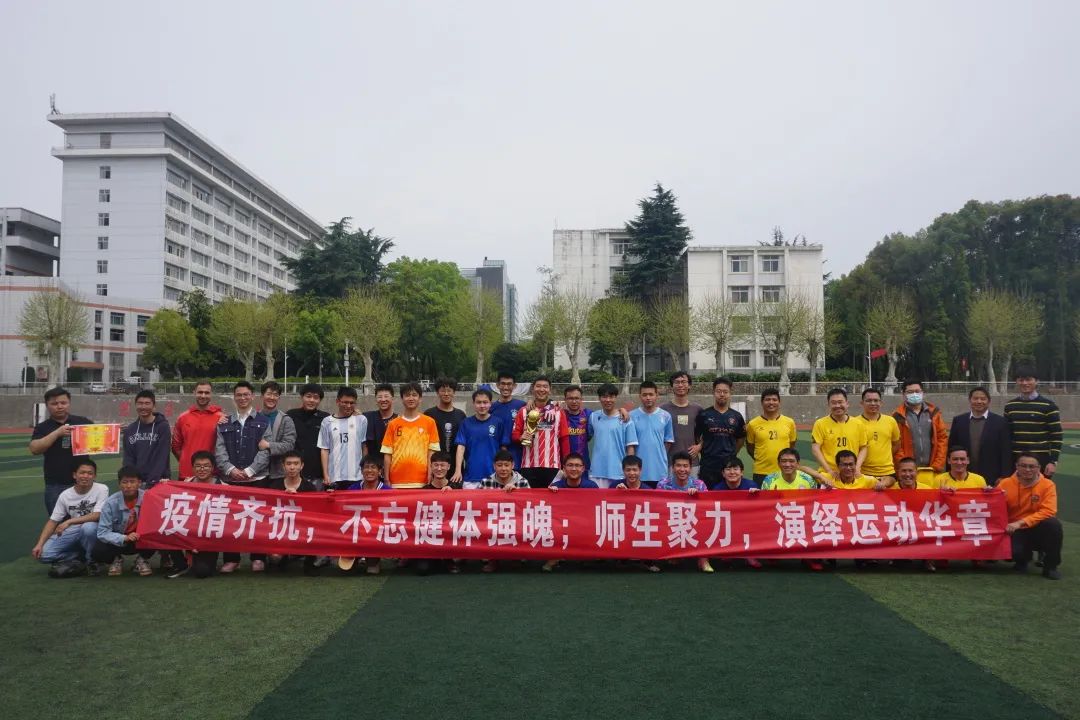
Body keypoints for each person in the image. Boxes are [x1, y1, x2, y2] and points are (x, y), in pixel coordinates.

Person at [214, 380, 271, 573]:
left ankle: (258, 557)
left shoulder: (263, 421)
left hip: (257, 479)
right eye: (239, 395)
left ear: (252, 396)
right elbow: (219, 450)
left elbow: (265, 450)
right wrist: (230, 469)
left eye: (246, 394)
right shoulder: (224, 422)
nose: (242, 398)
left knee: (258, 519)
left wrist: (249, 471)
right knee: (230, 520)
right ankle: (232, 559)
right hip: (230, 480)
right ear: (234, 397)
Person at [31, 458, 108, 576]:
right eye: (82, 473)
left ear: (94, 476)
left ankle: (93, 561)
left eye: (90, 473)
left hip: (94, 528)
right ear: (74, 475)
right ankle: (79, 558)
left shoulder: (102, 489)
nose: (85, 476)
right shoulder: (65, 495)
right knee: (44, 555)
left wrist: (69, 521)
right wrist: (39, 544)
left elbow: (97, 515)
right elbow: (53, 521)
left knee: (88, 528)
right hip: (74, 530)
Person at [29, 386, 93, 514]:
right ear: (47, 405)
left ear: (69, 403)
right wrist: (57, 433)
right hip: (56, 484)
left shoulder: (83, 422)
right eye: (54, 403)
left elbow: (101, 438)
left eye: (63, 403)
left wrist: (114, 431)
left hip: (83, 481)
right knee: (57, 521)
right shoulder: (42, 427)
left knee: (86, 520)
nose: (59, 406)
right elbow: (34, 449)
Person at [756, 448, 823, 571]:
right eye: (784, 461)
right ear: (778, 463)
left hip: (802, 518)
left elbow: (815, 504)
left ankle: (810, 557)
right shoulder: (769, 480)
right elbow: (764, 506)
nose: (787, 464)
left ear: (798, 463)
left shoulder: (808, 480)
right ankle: (774, 552)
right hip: (778, 517)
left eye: (791, 461)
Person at [998, 452, 1062, 580]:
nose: (1027, 470)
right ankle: (1022, 559)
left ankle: (1051, 566)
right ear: (1017, 466)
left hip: (1037, 527)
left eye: (1032, 466)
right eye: (1023, 466)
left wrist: (1021, 522)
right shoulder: (1005, 484)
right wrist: (989, 494)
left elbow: (1049, 511)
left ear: (1039, 468)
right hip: (1014, 529)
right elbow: (995, 507)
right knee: (1012, 553)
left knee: (1053, 524)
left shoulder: (1048, 485)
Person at [92, 466, 156, 577]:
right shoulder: (111, 503)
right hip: (119, 540)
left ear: (139, 483)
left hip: (140, 538)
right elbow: (102, 532)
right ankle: (116, 559)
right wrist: (124, 538)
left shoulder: (148, 498)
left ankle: (141, 559)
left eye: (132, 482)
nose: (128, 486)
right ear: (119, 484)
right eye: (125, 482)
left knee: (158, 534)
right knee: (98, 550)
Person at [656, 451, 712, 573]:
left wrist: (697, 497)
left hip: (693, 523)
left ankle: (703, 559)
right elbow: (658, 508)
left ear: (690, 468)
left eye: (685, 466)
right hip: (671, 522)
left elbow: (707, 508)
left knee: (707, 524)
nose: (682, 469)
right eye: (678, 466)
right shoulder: (663, 484)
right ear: (673, 467)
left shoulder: (699, 485)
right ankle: (672, 555)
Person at [1003, 365, 1063, 477]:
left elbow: (1056, 436)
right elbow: (1007, 435)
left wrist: (1053, 461)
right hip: (1016, 459)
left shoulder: (1049, 406)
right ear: (1016, 382)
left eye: (1028, 379)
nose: (1024, 383)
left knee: (1040, 488)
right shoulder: (1010, 406)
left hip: (1040, 460)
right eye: (1021, 380)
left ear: (1037, 381)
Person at [267, 450, 319, 576]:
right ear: (283, 466)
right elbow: (268, 512)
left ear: (302, 466)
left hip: (303, 527)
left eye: (296, 464)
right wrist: (284, 497)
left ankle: (309, 562)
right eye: (289, 464)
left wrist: (297, 498)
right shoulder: (274, 487)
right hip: (281, 527)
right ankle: (284, 557)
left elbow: (314, 513)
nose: (292, 467)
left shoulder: (310, 487)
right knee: (275, 558)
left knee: (315, 530)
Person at [947, 386, 1012, 486]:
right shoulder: (959, 421)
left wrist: (1004, 476)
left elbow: (1006, 451)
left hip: (992, 476)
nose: (979, 401)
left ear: (989, 401)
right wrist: (949, 472)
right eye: (975, 398)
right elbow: (952, 448)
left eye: (983, 399)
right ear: (970, 400)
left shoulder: (1000, 422)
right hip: (963, 475)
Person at [479, 450, 531, 573]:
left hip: (516, 519)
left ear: (512, 465)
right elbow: (479, 505)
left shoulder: (522, 482)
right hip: (493, 519)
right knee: (487, 526)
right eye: (500, 465)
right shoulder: (485, 482)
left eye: (506, 465)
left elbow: (529, 505)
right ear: (494, 466)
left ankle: (516, 557)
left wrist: (516, 493)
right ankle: (493, 559)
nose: (503, 469)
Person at [544, 453, 597, 572]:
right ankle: (555, 556)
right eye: (570, 465)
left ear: (583, 469)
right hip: (562, 525)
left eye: (577, 466)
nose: (574, 469)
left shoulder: (591, 487)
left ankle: (586, 555)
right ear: (564, 468)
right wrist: (550, 495)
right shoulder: (555, 487)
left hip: (584, 525)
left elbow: (596, 512)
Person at [381, 382, 441, 488]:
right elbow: (387, 453)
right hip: (396, 481)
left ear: (420, 398)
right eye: (407, 395)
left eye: (414, 395)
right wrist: (386, 478)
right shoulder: (393, 424)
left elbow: (432, 452)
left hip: (422, 481)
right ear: (402, 399)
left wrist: (430, 473)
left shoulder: (429, 422)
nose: (411, 398)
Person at [511, 376, 566, 488]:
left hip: (552, 465)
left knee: (552, 498)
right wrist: (521, 437)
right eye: (538, 386)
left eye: (545, 387)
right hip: (528, 465)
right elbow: (515, 435)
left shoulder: (558, 411)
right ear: (533, 389)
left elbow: (564, 439)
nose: (541, 389)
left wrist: (565, 464)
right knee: (529, 498)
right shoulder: (523, 411)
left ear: (550, 390)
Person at [708, 457, 762, 569]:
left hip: (746, 521)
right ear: (723, 473)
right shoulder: (717, 489)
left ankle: (749, 554)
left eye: (735, 469)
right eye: (728, 469)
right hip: (727, 522)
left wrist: (757, 496)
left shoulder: (751, 486)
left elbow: (760, 508)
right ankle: (726, 552)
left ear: (742, 472)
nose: (732, 472)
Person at [452, 388, 509, 489]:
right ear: (473, 404)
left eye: (485, 402)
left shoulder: (498, 422)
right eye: (478, 402)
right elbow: (461, 447)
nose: (482, 406)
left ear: (490, 403)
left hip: (494, 477)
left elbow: (503, 449)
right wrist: (458, 470)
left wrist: (504, 471)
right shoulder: (466, 423)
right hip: (471, 477)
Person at [694, 377, 746, 488]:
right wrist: (703, 447)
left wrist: (732, 452)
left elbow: (741, 439)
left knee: (728, 496)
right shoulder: (704, 415)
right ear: (713, 393)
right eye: (719, 391)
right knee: (708, 495)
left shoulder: (737, 416)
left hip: (729, 466)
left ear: (730, 393)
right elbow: (697, 437)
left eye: (725, 392)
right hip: (708, 465)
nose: (722, 394)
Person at [175, 450, 219, 579]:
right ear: (193, 468)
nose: (202, 469)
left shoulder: (223, 486)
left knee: (202, 571)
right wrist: (164, 484)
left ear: (213, 468)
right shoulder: (185, 485)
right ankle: (180, 563)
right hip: (188, 533)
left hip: (210, 536)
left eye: (206, 466)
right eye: (198, 466)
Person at [345, 455, 392, 575]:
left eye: (373, 467)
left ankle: (373, 560)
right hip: (355, 532)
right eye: (366, 467)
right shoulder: (353, 489)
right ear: (361, 471)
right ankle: (356, 556)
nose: (369, 470)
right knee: (346, 568)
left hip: (376, 533)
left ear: (380, 471)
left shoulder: (387, 491)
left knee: (372, 570)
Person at [891, 380, 948, 474]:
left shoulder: (934, 414)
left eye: (917, 391)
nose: (914, 394)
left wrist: (937, 465)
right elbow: (896, 445)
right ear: (903, 394)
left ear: (922, 393)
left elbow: (942, 439)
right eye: (910, 392)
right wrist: (905, 467)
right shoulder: (897, 416)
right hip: (908, 472)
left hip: (932, 468)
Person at [171, 380, 224, 481]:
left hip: (211, 475)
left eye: (207, 393)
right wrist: (187, 461)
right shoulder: (183, 418)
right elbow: (176, 446)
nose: (203, 396)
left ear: (211, 394)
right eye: (200, 392)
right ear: (194, 392)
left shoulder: (221, 417)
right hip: (186, 474)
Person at [811, 387, 866, 483]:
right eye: (833, 403)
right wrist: (829, 470)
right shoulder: (820, 424)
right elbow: (815, 449)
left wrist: (857, 467)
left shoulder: (858, 423)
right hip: (829, 475)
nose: (837, 406)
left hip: (851, 473)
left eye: (840, 402)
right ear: (828, 405)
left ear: (847, 403)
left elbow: (863, 447)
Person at [589, 383, 639, 489]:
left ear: (616, 398)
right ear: (599, 398)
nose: (608, 400)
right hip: (597, 472)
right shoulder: (593, 416)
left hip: (618, 473)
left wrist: (629, 470)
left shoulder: (625, 419)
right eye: (604, 397)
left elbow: (630, 447)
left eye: (611, 397)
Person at [319, 386, 369, 490]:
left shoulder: (361, 420)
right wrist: (326, 474)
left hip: (356, 476)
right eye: (345, 402)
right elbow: (324, 449)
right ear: (338, 401)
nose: (348, 406)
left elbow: (364, 446)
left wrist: (365, 471)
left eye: (352, 403)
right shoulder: (327, 422)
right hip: (334, 477)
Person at [744, 388, 796, 484]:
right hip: (761, 471)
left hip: (784, 471)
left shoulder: (789, 422)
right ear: (762, 402)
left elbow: (792, 444)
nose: (771, 402)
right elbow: (750, 447)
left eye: (774, 400)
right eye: (767, 399)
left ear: (779, 402)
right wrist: (761, 458)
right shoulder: (753, 424)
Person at [122, 389, 172, 488]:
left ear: (154, 406)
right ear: (135, 405)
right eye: (140, 403)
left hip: (159, 481)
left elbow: (162, 456)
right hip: (137, 483)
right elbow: (128, 458)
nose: (143, 407)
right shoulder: (130, 430)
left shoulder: (163, 427)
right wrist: (132, 480)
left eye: (147, 403)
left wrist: (152, 481)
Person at [630, 381, 674, 487]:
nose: (648, 398)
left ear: (656, 395)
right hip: (638, 472)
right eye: (644, 395)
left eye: (651, 394)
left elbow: (668, 441)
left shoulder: (666, 416)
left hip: (659, 470)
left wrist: (659, 454)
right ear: (640, 396)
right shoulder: (631, 416)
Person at [286, 383, 330, 488]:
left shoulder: (326, 418)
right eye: (308, 396)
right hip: (295, 473)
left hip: (318, 474)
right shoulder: (291, 415)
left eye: (316, 397)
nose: (311, 400)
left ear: (320, 400)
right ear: (302, 397)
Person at [853, 387, 900, 483]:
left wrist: (883, 457)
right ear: (862, 403)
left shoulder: (890, 421)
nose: (873, 403)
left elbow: (896, 444)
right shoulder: (854, 422)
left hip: (887, 472)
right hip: (863, 472)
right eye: (869, 401)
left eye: (876, 400)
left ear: (881, 403)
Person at [425, 378, 467, 477]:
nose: (446, 394)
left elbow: (463, 443)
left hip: (455, 468)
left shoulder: (461, 415)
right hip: (436, 467)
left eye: (449, 391)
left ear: (454, 392)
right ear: (437, 393)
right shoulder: (429, 414)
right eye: (443, 391)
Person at [661, 371, 703, 469]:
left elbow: (707, 432)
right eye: (677, 382)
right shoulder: (662, 410)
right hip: (669, 462)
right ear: (672, 386)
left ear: (689, 385)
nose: (680, 385)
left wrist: (699, 446)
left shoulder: (698, 409)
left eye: (683, 382)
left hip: (692, 462)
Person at [258, 381, 296, 483]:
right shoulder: (254, 418)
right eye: (269, 394)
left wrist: (268, 445)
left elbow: (289, 445)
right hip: (257, 472)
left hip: (278, 473)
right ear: (262, 396)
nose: (272, 397)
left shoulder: (286, 420)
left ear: (279, 398)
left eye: (275, 395)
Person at [490, 371, 527, 468]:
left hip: (517, 453)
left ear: (514, 386)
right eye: (503, 384)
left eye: (509, 384)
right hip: (497, 453)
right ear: (497, 385)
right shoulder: (491, 408)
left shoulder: (522, 406)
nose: (506, 387)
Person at [560, 385, 592, 480]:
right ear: (565, 400)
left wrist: (621, 411)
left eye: (577, 398)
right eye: (570, 398)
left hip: (583, 465)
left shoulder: (589, 414)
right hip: (563, 465)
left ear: (581, 399)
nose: (574, 401)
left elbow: (606, 414)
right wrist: (530, 402)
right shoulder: (560, 414)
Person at [807, 449, 877, 490]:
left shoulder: (865, 480)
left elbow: (884, 481)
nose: (848, 468)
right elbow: (803, 468)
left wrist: (881, 484)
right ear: (838, 466)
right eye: (845, 465)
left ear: (855, 465)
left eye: (851, 464)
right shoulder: (831, 478)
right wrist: (822, 477)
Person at [363, 383, 398, 452]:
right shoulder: (367, 417)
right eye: (380, 397)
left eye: (386, 396)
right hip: (372, 458)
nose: (383, 399)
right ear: (376, 400)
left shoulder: (398, 420)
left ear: (392, 399)